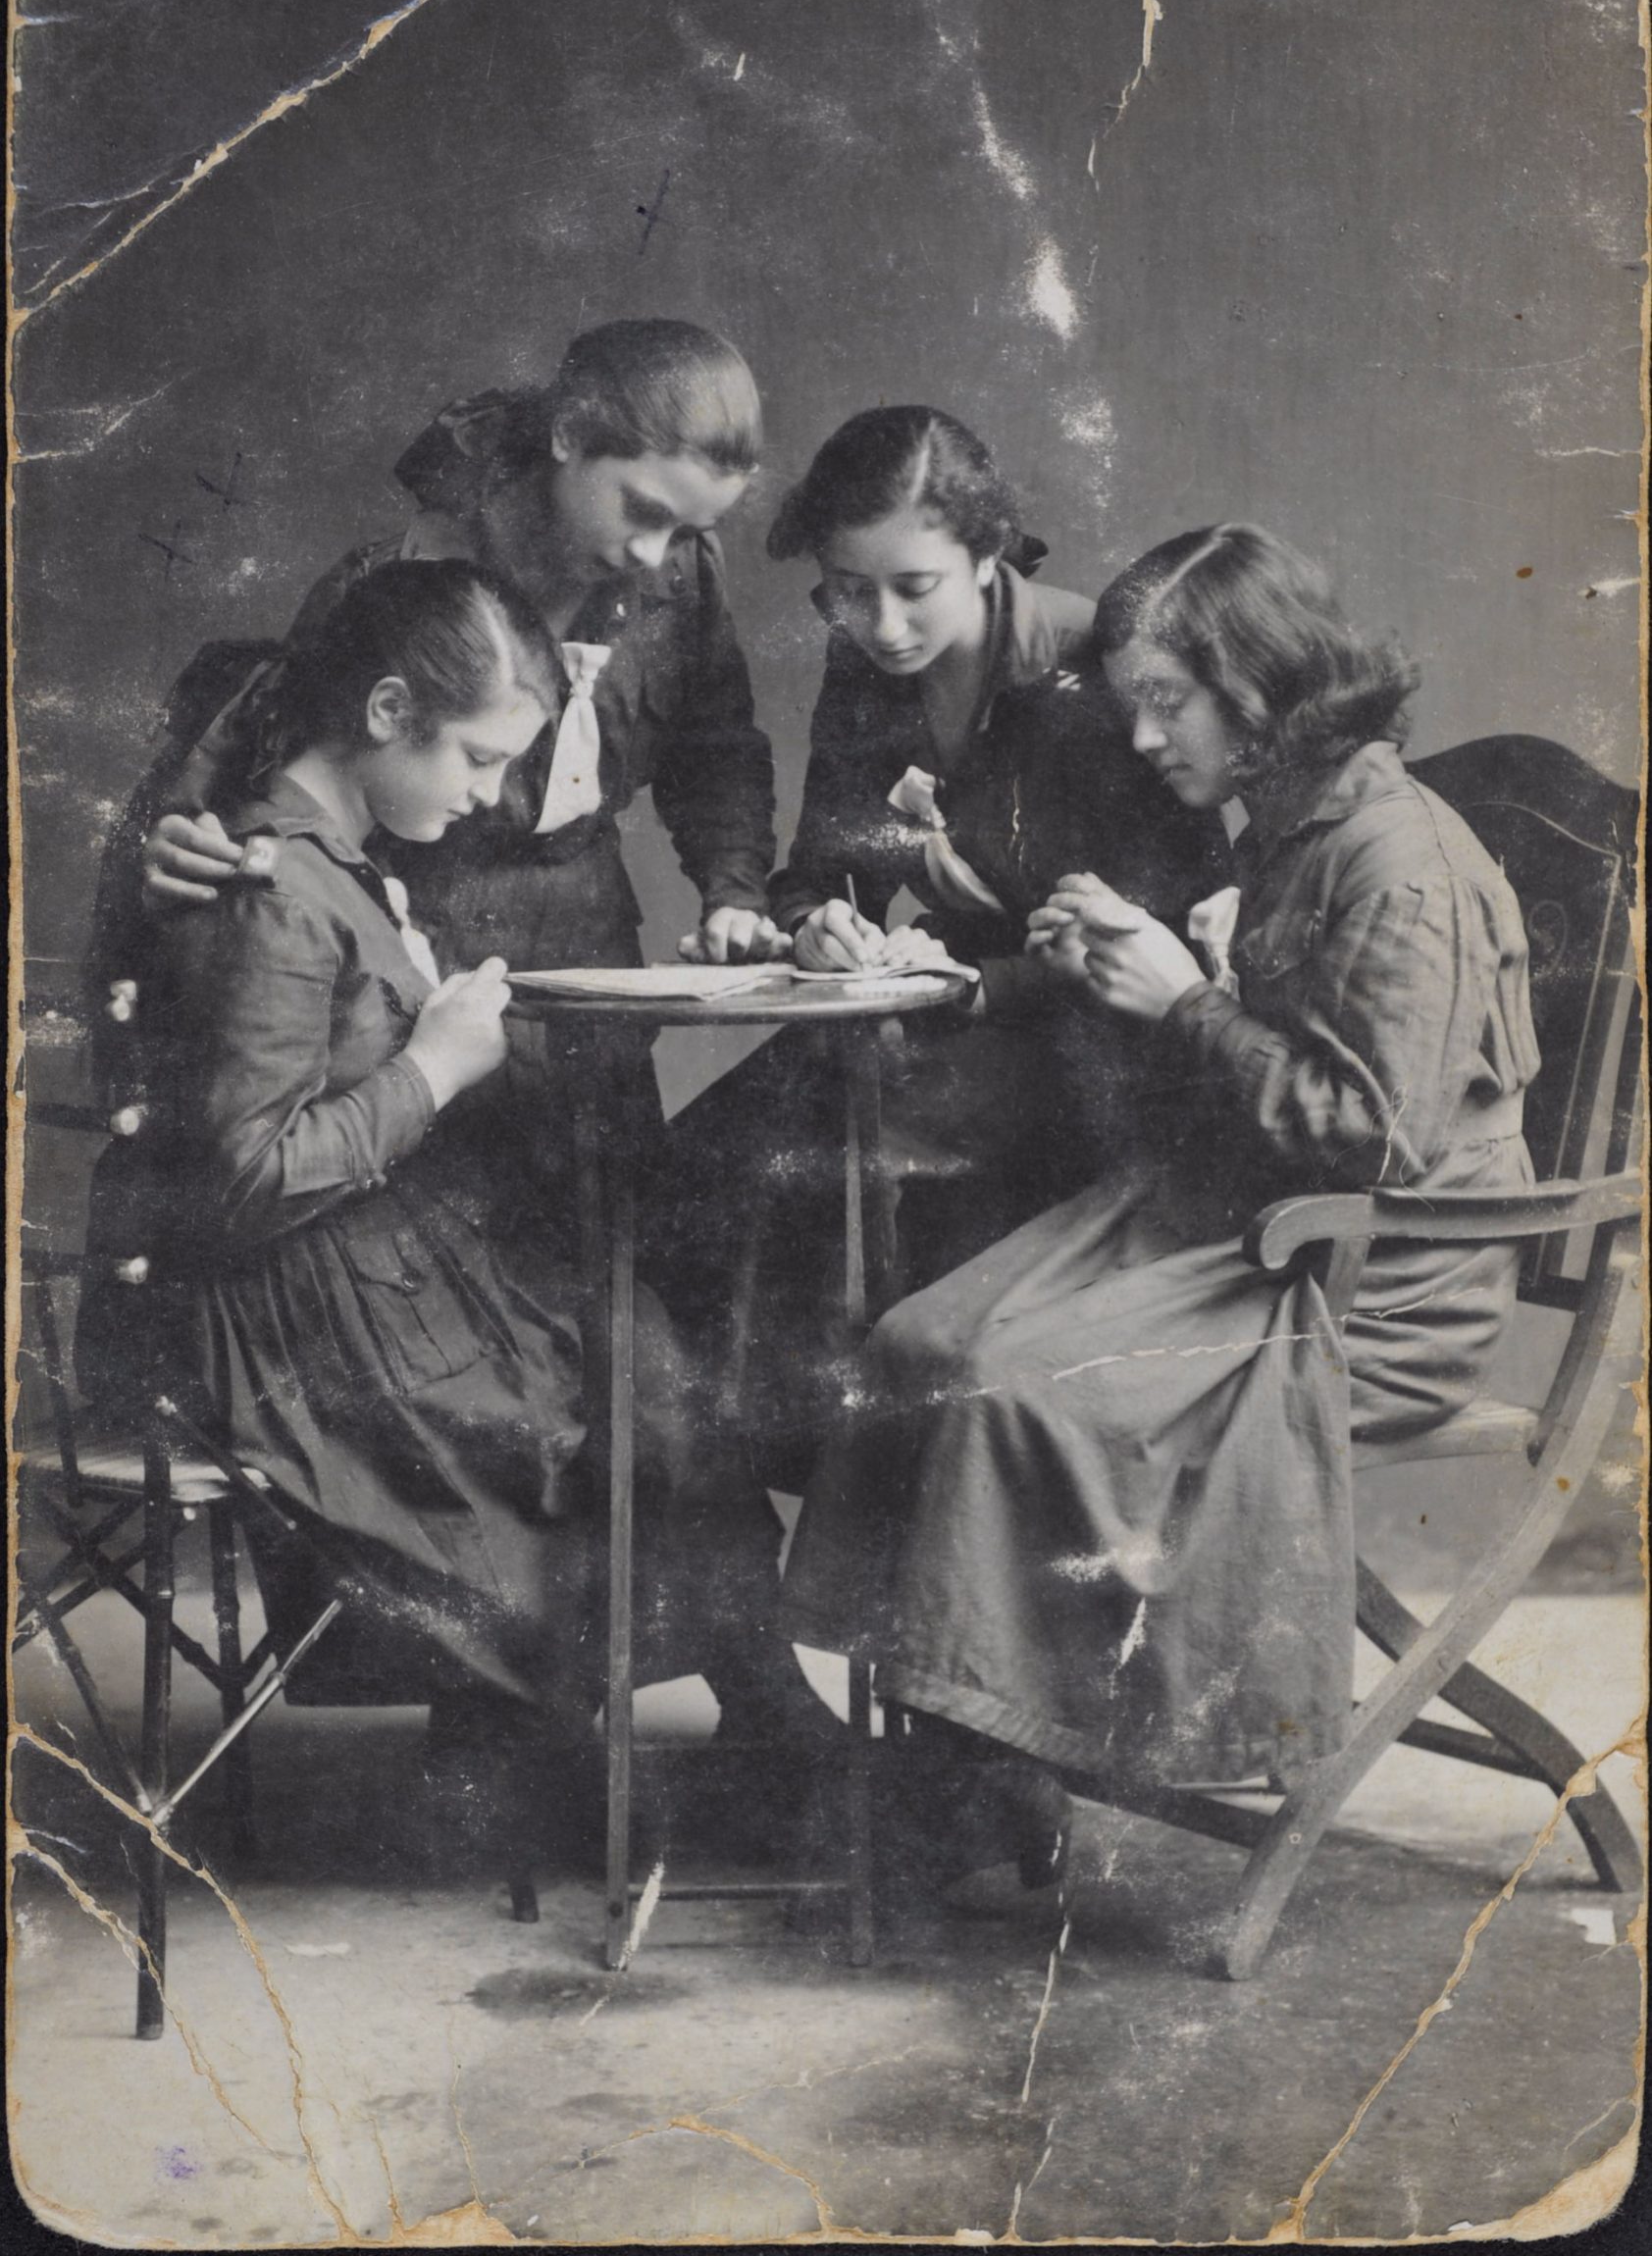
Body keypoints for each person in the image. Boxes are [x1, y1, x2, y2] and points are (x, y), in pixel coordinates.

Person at [779, 523, 1539, 1888]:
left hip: (1371, 1289)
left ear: (1262, 684)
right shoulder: (1300, 820)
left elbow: (1377, 1143)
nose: (1141, 739)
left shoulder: (1400, 864)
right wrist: (1137, 969)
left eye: (1168, 703)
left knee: (1014, 1387)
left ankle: (994, 1776)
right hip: (1254, 1225)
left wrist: (1186, 1003)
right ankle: (972, 1756)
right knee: (920, 1340)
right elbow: (1297, 1057)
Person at [78, 559, 810, 1859]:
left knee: (639, 1354)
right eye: (476, 759)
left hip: (358, 1266)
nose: (488, 796)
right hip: (271, 1318)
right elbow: (239, 1185)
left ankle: (698, 1741)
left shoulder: (334, 864)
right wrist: (431, 1068)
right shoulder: (272, 889)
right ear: (386, 712)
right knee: (600, 1392)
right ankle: (601, 1756)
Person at [90, 320, 787, 1217]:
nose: (656, 553)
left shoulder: (682, 574)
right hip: (425, 954)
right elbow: (278, 780)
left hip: (589, 954)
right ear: (570, 434)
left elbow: (717, 747)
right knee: (442, 1234)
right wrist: (187, 840)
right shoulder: (404, 576)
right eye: (644, 511)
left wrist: (734, 893)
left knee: (609, 1232)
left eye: (688, 529)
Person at [654, 408, 1224, 1458]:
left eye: (914, 587)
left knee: (819, 1162)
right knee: (697, 1162)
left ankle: (863, 1475)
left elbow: (1169, 931)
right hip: (945, 1025)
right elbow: (819, 868)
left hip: (1099, 1049)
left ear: (988, 551)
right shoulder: (865, 669)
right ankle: (735, 1477)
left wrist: (980, 985)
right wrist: (817, 924)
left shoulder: (1094, 666)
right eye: (847, 591)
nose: (881, 625)